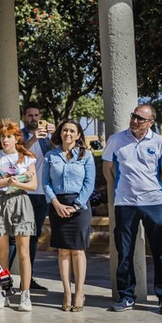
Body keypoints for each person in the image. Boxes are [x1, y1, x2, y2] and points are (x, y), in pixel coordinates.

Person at [104, 104, 162, 314]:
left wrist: (154, 190)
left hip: (153, 203)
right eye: (133, 116)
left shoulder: (160, 143)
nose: (135, 121)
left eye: (140, 118)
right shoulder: (116, 140)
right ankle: (127, 296)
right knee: (124, 251)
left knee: (160, 251)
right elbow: (108, 169)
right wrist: (119, 191)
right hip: (125, 204)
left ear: (151, 122)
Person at [42, 120, 96, 312]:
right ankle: (66, 291)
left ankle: (79, 292)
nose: (68, 133)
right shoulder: (50, 156)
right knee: (63, 251)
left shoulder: (86, 156)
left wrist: (76, 205)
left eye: (72, 130)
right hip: (57, 205)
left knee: (78, 250)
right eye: (65, 130)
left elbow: (89, 183)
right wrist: (56, 203)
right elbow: (46, 183)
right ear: (60, 133)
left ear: (78, 134)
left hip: (79, 206)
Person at [0, 121, 38, 312]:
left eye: (9, 136)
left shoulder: (27, 158)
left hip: (20, 202)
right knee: (2, 252)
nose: (5, 139)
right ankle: (4, 290)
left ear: (17, 138)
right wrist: (7, 181)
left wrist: (17, 183)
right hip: (0, 202)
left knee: (24, 252)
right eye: (2, 136)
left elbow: (33, 185)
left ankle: (25, 293)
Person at [20, 104, 55, 292]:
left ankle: (28, 278)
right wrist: (33, 138)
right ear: (24, 117)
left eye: (36, 115)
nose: (34, 118)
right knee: (15, 237)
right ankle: (6, 279)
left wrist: (55, 135)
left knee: (33, 236)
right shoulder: (20, 135)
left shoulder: (48, 136)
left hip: (42, 193)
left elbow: (59, 152)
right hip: (24, 192)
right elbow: (19, 154)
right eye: (30, 115)